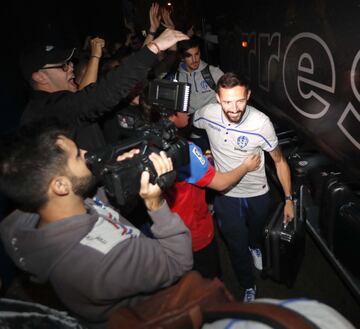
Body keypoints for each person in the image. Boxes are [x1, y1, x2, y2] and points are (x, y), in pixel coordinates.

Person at [0, 123, 193, 328]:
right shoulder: (102, 260)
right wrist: (156, 204)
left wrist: (121, 175)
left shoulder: (36, 218)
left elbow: (96, 205)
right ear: (60, 186)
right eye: (76, 156)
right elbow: (178, 261)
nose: (86, 154)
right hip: (148, 315)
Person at [193, 72, 294, 302]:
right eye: (227, 101)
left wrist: (289, 199)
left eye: (240, 100)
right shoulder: (207, 114)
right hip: (225, 194)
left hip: (258, 192)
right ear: (217, 98)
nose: (234, 108)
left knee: (255, 232)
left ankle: (255, 245)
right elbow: (191, 125)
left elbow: (279, 161)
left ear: (248, 95)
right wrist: (204, 152)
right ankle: (248, 284)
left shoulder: (261, 123)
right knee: (235, 244)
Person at [141, 89, 261, 279]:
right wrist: (246, 166)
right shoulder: (186, 150)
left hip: (164, 234)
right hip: (195, 235)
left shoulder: (144, 142)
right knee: (210, 284)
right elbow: (221, 183)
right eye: (182, 108)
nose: (188, 110)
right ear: (171, 115)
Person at [18, 28, 189, 151]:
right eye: (63, 66)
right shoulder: (45, 111)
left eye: (70, 63)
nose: (70, 68)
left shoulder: (61, 105)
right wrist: (154, 48)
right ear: (39, 77)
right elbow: (100, 94)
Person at [173, 36, 224, 151]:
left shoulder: (213, 73)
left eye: (197, 54)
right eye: (189, 56)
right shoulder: (176, 77)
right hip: (194, 135)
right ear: (182, 57)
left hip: (217, 132)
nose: (195, 59)